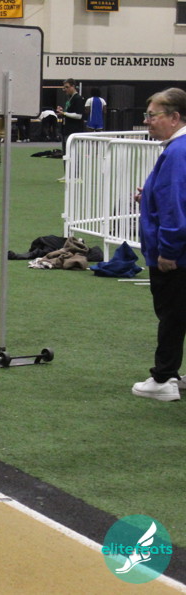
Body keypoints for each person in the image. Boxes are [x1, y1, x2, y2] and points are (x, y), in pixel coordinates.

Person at [132, 88, 186, 402]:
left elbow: (175, 205)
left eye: (152, 115)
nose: (147, 121)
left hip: (176, 255)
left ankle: (164, 379)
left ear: (174, 117)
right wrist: (149, 196)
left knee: (171, 315)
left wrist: (168, 250)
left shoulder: (177, 152)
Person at [56, 78, 84, 148]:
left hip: (74, 131)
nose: (65, 89)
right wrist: (63, 111)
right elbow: (70, 112)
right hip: (67, 130)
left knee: (72, 150)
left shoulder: (78, 98)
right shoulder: (70, 98)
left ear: (73, 86)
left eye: (67, 87)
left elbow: (79, 116)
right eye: (64, 87)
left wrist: (64, 113)